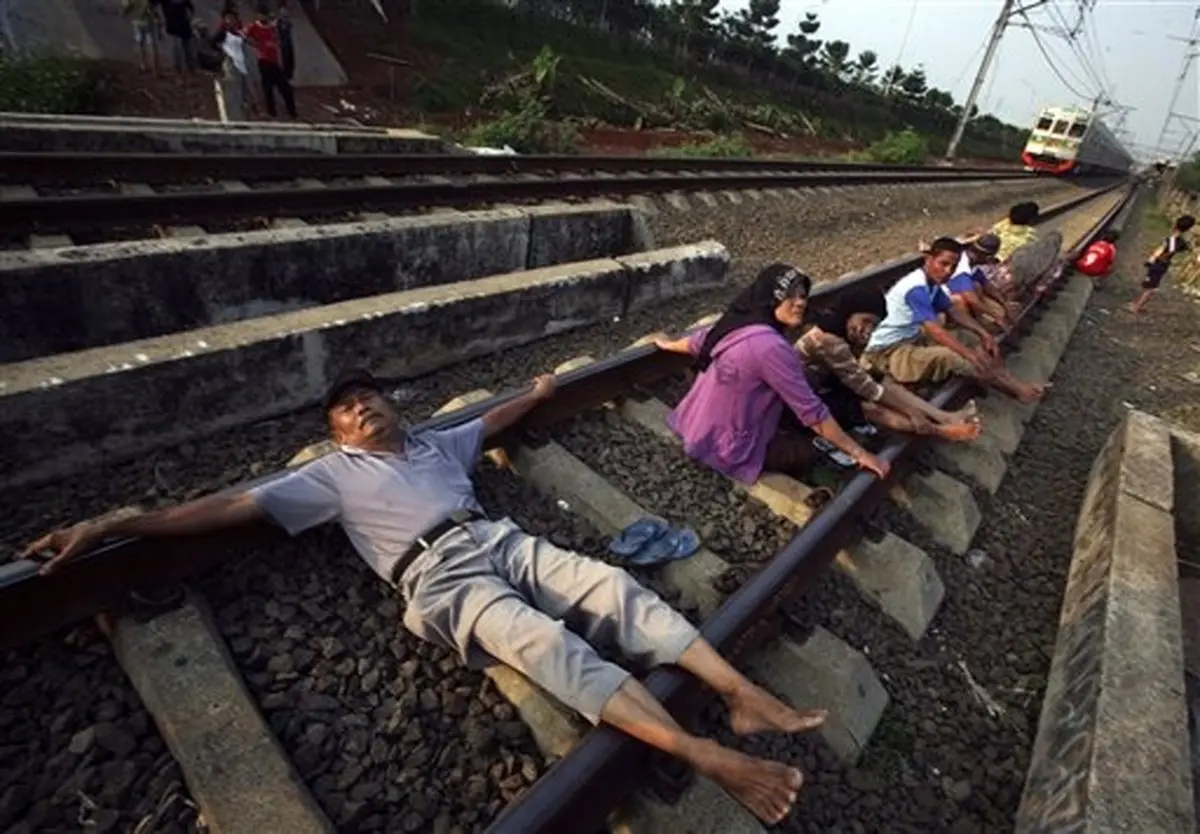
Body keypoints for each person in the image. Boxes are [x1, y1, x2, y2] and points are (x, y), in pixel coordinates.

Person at [24, 369, 827, 826]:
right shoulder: (330, 476)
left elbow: (497, 418)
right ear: (338, 434)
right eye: (347, 411)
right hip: (437, 577)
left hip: (496, 536)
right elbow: (220, 510)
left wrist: (541, 389)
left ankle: (741, 694)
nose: (362, 410)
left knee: (611, 584)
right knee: (548, 648)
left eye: (370, 399)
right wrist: (109, 524)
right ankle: (706, 755)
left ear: (391, 408)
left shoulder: (438, 442)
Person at [653, 263, 890, 483]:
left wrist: (668, 344)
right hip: (723, 446)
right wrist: (861, 454)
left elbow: (698, 342)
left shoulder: (739, 323)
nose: (800, 303)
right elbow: (813, 413)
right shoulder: (771, 347)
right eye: (790, 295)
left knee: (806, 380)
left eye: (802, 295)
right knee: (806, 451)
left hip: (692, 423)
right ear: (771, 296)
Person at [860, 237, 1047, 405]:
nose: (947, 271)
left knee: (970, 338)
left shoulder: (931, 282)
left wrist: (982, 333)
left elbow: (953, 311)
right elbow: (935, 330)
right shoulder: (915, 288)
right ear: (928, 259)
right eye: (943, 264)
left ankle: (1010, 381)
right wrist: (967, 354)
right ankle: (1017, 391)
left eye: (953, 267)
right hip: (888, 351)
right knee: (953, 356)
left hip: (913, 338)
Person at [797, 290, 982, 442]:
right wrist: (911, 411)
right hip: (799, 397)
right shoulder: (828, 339)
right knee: (869, 407)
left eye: (873, 325)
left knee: (885, 383)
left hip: (823, 384)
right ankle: (941, 431)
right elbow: (868, 390)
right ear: (849, 312)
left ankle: (943, 416)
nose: (866, 330)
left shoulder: (842, 331)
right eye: (865, 320)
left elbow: (865, 379)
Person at [944, 233, 1015, 330]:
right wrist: (995, 316)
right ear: (987, 257)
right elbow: (971, 299)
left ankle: (978, 320)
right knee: (959, 301)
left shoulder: (973, 262)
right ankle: (959, 326)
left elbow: (986, 284)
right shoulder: (961, 268)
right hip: (939, 301)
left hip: (955, 292)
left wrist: (1005, 303)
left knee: (977, 285)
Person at [1127, 215, 1196, 314]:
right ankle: (1137, 303)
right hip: (1163, 265)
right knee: (1149, 285)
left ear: (1176, 225)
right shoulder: (1182, 242)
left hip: (1158, 264)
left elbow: (1162, 251)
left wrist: (1151, 260)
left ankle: (1136, 307)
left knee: (1150, 287)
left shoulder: (1171, 240)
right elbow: (1186, 249)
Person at [244, 2, 297, 118]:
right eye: (261, 15)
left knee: (284, 86)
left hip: (274, 60)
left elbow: (281, 31)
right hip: (263, 60)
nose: (263, 17)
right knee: (268, 87)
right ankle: (272, 112)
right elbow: (244, 35)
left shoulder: (272, 26)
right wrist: (254, 43)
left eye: (264, 15)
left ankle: (292, 112)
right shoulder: (254, 26)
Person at [156, 0, 197, 74]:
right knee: (176, 49)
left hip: (183, 26)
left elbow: (191, 8)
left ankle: (190, 68)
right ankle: (180, 70)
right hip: (173, 26)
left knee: (185, 48)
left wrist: (190, 17)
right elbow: (153, 4)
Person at [122, 0, 158, 73]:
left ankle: (143, 65)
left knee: (139, 43)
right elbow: (152, 7)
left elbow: (128, 7)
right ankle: (154, 66)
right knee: (150, 44)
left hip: (137, 22)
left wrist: (125, 13)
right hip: (147, 22)